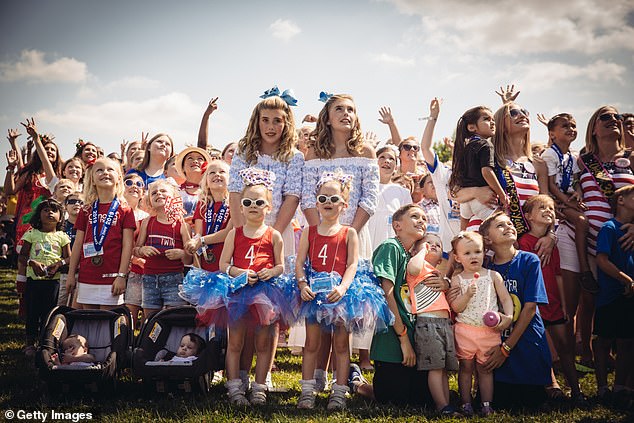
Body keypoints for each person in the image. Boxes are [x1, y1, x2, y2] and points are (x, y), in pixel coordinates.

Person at [295, 171, 392, 410]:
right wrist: (302, 283)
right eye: (323, 198)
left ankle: (339, 391)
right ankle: (307, 390)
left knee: (341, 344)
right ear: (316, 202)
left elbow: (352, 264)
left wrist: (343, 286)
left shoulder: (349, 232)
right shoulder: (310, 230)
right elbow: (299, 262)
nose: (328, 202)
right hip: (315, 296)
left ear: (344, 204)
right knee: (311, 344)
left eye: (334, 198)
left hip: (341, 295)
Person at [212, 168, 289, 405]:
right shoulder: (235, 234)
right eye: (248, 202)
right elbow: (224, 263)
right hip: (238, 293)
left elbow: (281, 266)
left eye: (259, 202)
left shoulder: (274, 234)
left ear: (268, 207)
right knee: (235, 341)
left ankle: (259, 386)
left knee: (263, 342)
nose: (253, 206)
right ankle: (234, 387)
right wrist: (240, 272)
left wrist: (270, 271)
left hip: (265, 294)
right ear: (241, 207)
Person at [370, 204, 447, 406]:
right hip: (392, 341)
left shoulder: (411, 256)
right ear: (397, 225)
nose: (422, 220)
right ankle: (358, 384)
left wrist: (445, 283)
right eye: (414, 216)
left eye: (424, 218)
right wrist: (403, 338)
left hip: (413, 338)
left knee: (423, 400)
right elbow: (387, 295)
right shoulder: (391, 247)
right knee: (394, 400)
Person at [577, 106, 634, 368]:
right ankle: (589, 355)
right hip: (593, 240)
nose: (615, 121)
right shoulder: (584, 160)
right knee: (590, 297)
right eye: (607, 117)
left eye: (618, 118)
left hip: (625, 242)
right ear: (594, 128)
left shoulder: (632, 158)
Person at [478, 211, 551, 410]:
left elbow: (529, 309)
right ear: (487, 239)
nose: (509, 227)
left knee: (531, 403)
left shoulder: (529, 261)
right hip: (496, 350)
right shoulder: (485, 266)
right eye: (500, 225)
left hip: (526, 344)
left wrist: (506, 349)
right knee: (501, 402)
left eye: (510, 223)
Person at [519, 195, 583, 402]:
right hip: (535, 305)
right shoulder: (523, 243)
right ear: (528, 215)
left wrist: (565, 304)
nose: (548, 211)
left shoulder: (552, 244)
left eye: (551, 208)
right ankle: (549, 388)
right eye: (542, 208)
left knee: (565, 346)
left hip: (554, 302)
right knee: (541, 348)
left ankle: (577, 391)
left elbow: (558, 274)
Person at [449, 231, 513, 416]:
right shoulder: (458, 279)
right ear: (457, 257)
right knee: (466, 368)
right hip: (465, 331)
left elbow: (505, 299)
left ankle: (486, 404)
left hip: (488, 331)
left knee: (485, 370)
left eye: (477, 251)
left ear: (484, 252)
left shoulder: (493, 276)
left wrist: (507, 316)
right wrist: (467, 295)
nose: (473, 256)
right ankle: (466, 403)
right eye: (467, 253)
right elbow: (456, 307)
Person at [66, 158, 136, 309]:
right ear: (92, 179)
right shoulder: (86, 210)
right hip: (87, 276)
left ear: (119, 178)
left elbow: (127, 246)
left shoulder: (125, 210)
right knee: (87, 321)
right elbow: (78, 244)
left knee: (107, 322)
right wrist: (71, 274)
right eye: (99, 170)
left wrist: (122, 276)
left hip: (112, 278)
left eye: (110, 169)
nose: (105, 172)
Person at [540, 113, 595, 293]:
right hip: (556, 200)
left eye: (573, 125)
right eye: (565, 126)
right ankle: (585, 269)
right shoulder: (550, 154)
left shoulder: (573, 157)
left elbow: (576, 180)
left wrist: (578, 193)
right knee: (582, 221)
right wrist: (568, 204)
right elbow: (551, 185)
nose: (571, 129)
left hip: (568, 198)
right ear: (552, 134)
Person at [406, 234, 458, 415]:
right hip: (428, 323)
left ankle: (446, 404)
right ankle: (442, 405)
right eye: (428, 243)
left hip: (443, 323)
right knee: (435, 368)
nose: (433, 246)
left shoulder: (435, 272)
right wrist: (421, 252)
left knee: (442, 368)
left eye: (438, 244)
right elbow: (412, 268)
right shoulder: (418, 267)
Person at [593, 185, 634, 404]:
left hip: (629, 296)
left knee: (627, 341)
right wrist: (624, 279)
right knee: (604, 340)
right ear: (621, 201)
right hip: (610, 294)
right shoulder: (609, 227)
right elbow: (602, 259)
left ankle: (619, 387)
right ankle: (602, 387)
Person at [18, 198, 71, 357]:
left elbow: (68, 259)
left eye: (54, 211)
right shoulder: (31, 233)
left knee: (50, 312)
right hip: (34, 281)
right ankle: (30, 343)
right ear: (38, 215)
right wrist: (32, 263)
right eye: (46, 210)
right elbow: (22, 256)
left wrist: (58, 264)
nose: (50, 213)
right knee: (33, 311)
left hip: (53, 282)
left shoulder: (62, 236)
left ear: (61, 217)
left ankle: (45, 342)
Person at [134, 179, 192, 316]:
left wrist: (182, 254)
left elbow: (190, 260)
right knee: (150, 318)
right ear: (149, 201)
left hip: (174, 278)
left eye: (163, 191)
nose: (158, 194)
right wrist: (142, 250)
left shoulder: (183, 225)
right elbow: (136, 250)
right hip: (149, 278)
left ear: (174, 197)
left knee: (174, 317)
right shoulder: (147, 222)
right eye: (154, 193)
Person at [449, 106, 508, 228]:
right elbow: (486, 171)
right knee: (505, 225)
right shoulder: (486, 144)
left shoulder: (464, 147)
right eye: (486, 119)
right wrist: (502, 195)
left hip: (466, 202)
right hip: (483, 201)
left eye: (493, 120)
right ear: (472, 127)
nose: (492, 122)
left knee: (463, 233)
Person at [184, 160, 232, 272]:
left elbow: (228, 233)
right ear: (206, 182)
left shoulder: (234, 203)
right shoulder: (202, 204)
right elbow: (198, 234)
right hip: (204, 265)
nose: (217, 174)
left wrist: (201, 241)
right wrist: (194, 243)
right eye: (212, 172)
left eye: (222, 171)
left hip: (227, 266)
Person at [366, 145, 412, 253]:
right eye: (382, 157)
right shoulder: (366, 187)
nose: (387, 161)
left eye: (391, 159)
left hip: (390, 240)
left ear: (396, 166)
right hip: (368, 236)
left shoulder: (403, 192)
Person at [123, 173, 149, 328]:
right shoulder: (115, 212)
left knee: (141, 313)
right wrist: (132, 259)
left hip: (139, 271)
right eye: (129, 182)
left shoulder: (146, 217)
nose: (134, 186)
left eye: (139, 184)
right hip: (119, 268)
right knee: (124, 313)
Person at [58, 192, 82, 307]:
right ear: (65, 206)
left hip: (83, 273)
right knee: (61, 306)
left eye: (80, 202)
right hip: (63, 273)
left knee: (77, 309)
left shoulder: (90, 226)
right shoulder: (59, 227)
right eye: (72, 201)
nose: (77, 204)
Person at [174, 146, 212, 222]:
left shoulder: (212, 191)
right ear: (183, 168)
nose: (195, 161)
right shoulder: (174, 191)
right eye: (190, 158)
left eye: (200, 158)